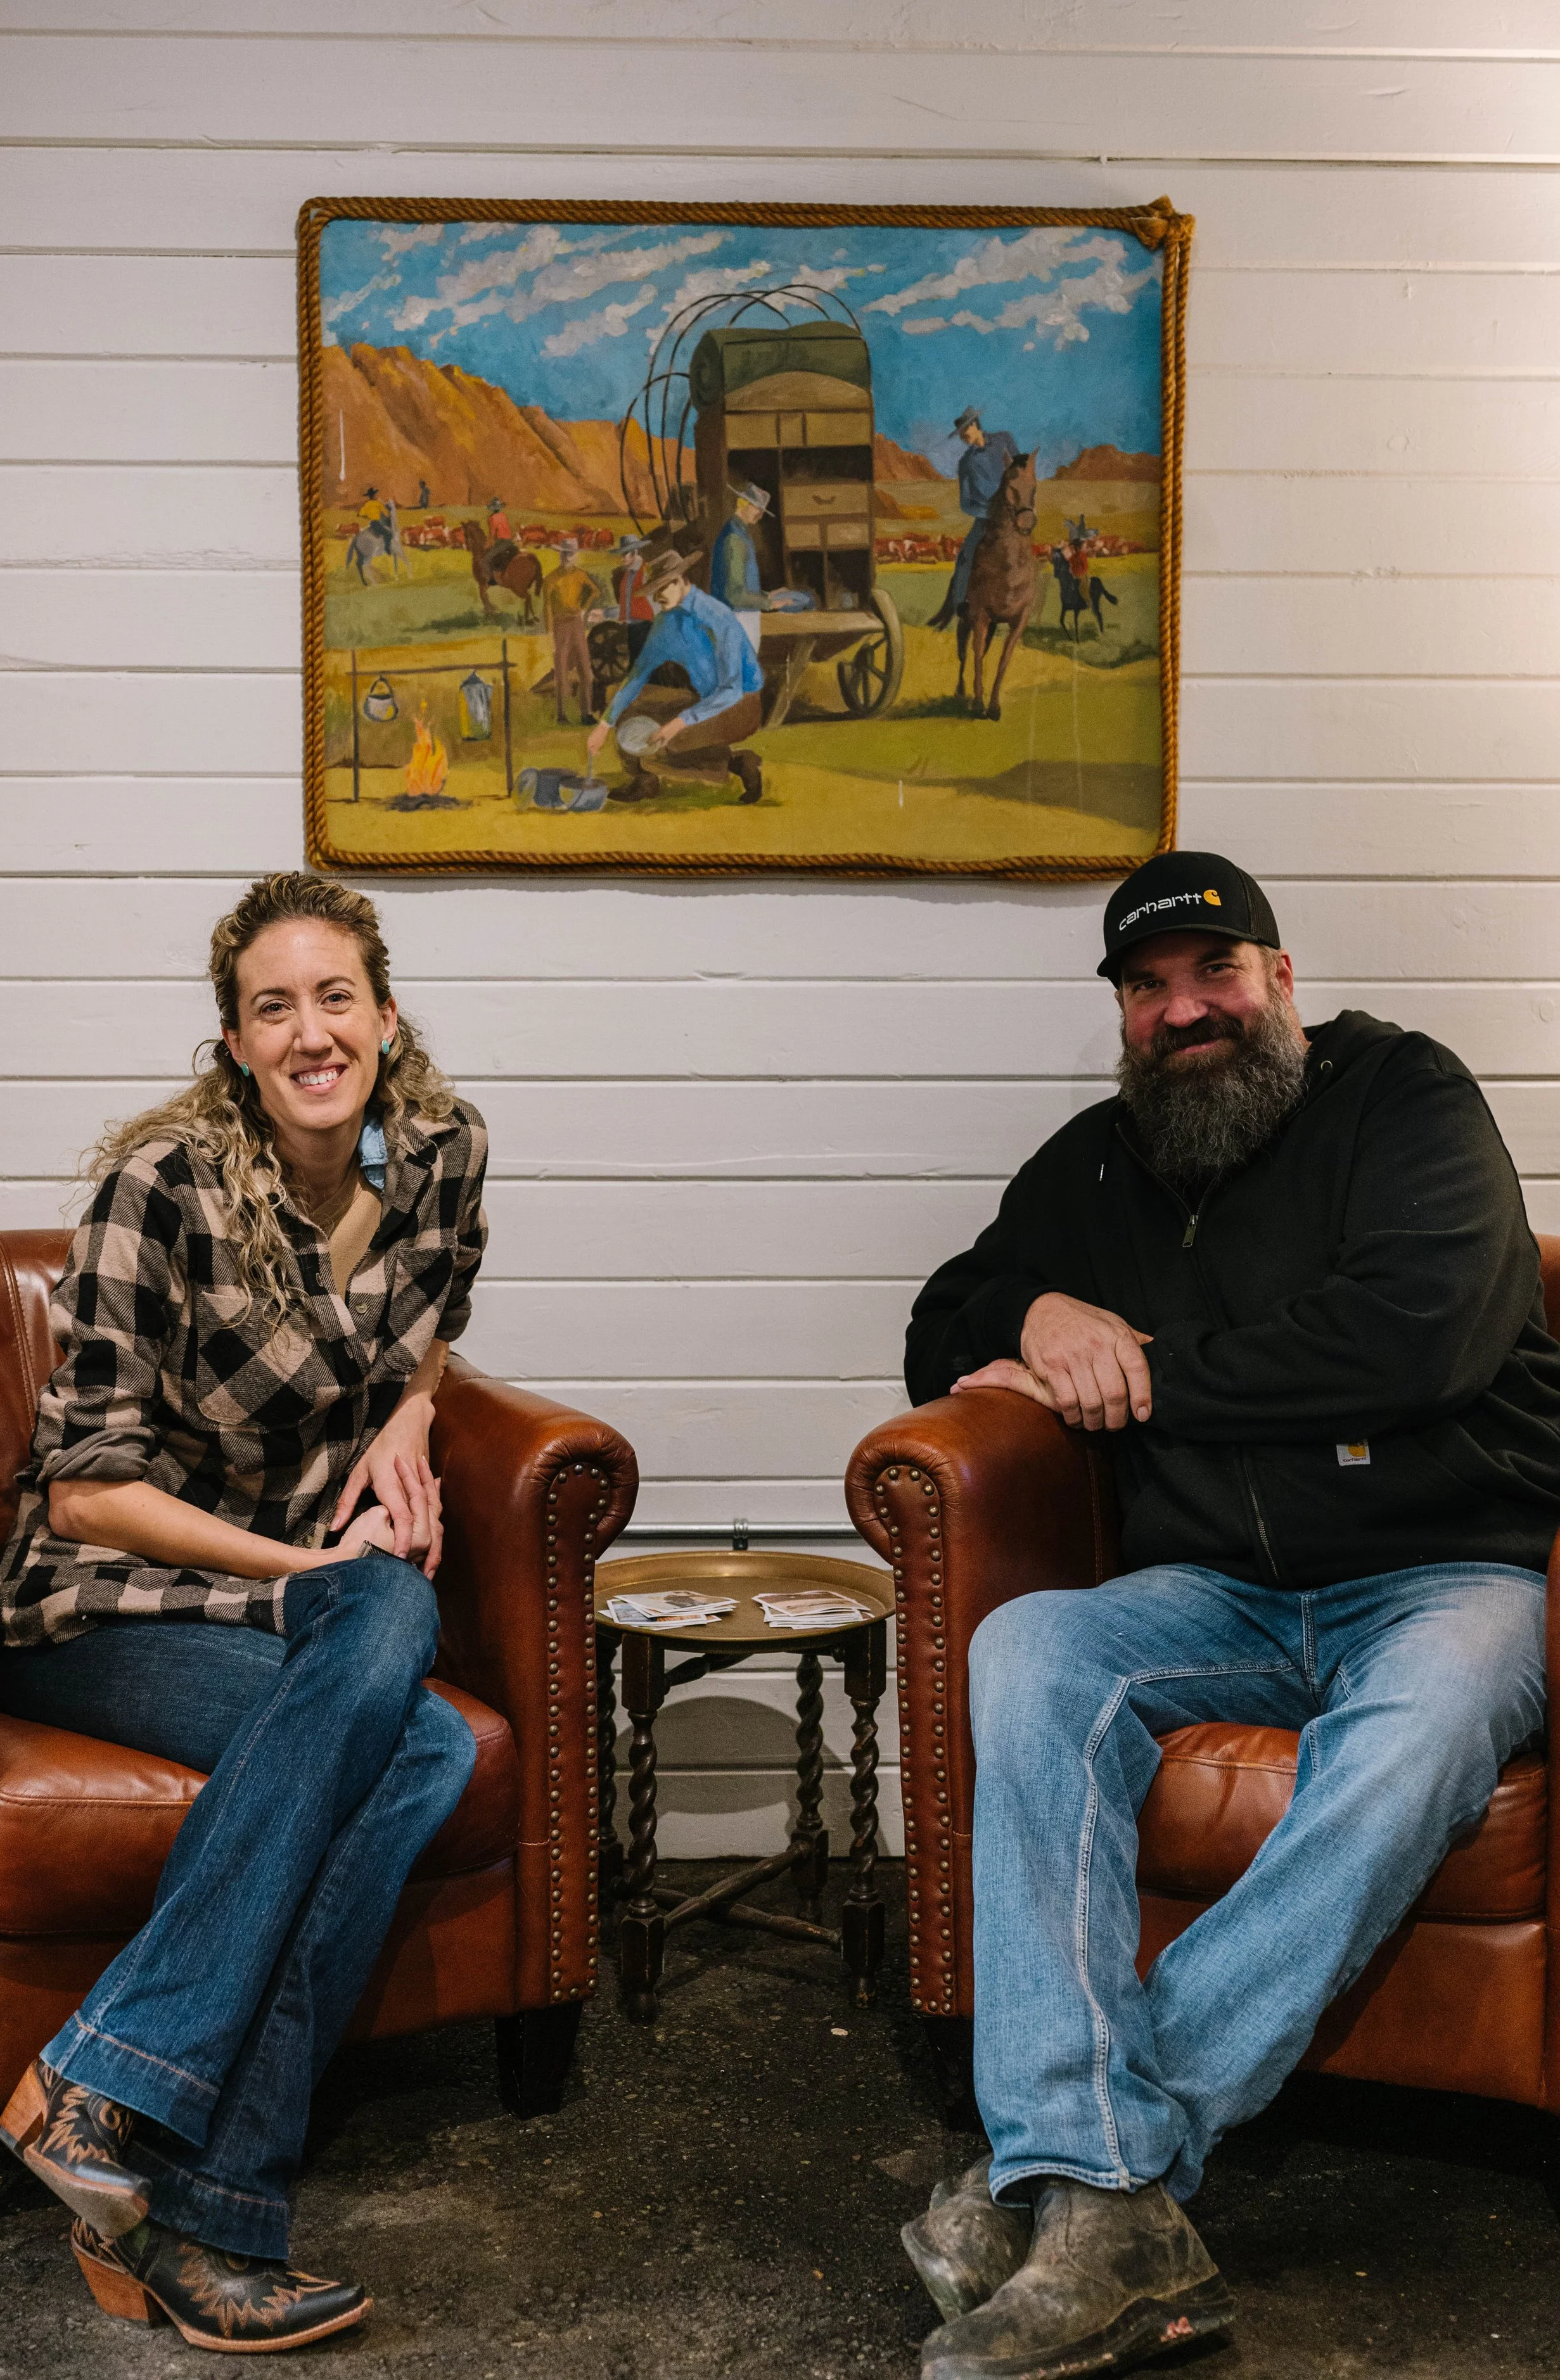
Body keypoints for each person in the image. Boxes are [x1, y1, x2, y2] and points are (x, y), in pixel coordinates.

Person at [899, 849, 1560, 2380]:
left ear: (1278, 977)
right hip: (1223, 1592)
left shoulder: (1404, 1096)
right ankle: (1104, 2186)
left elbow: (1417, 1340)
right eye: (1149, 986)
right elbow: (942, 1317)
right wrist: (1034, 1316)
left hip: (1452, 1566)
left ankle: (1085, 2171)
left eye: (1213, 970)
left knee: (1429, 1718)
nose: (1184, 1008)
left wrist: (1152, 1370)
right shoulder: (1094, 1166)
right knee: (1030, 1645)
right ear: (1124, 1011)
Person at [0, 872, 489, 2354]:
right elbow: (86, 1495)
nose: (312, 1030)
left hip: (289, 1608)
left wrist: (409, 1419)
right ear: (234, 1043)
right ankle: (163, 2149)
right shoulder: (161, 1188)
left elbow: (432, 1326)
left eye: (335, 995)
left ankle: (142, 2168)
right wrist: (310, 1572)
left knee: (418, 1749)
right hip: (105, 1602)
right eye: (275, 1006)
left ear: (386, 1015)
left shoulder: (444, 1153)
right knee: (388, 1617)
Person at [587, 546, 765, 805]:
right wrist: (604, 726)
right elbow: (637, 677)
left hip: (740, 704)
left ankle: (736, 763)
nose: (656, 597)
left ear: (680, 581)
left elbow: (732, 690)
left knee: (668, 743)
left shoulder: (716, 617)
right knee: (629, 712)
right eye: (653, 591)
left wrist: (678, 723)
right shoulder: (665, 624)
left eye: (661, 589)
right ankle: (644, 781)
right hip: (702, 700)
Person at [930, 407, 1021, 629]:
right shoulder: (966, 463)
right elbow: (965, 503)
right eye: (960, 435)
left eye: (964, 432)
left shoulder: (1004, 440)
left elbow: (1019, 472)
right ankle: (960, 602)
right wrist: (989, 514)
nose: (962, 438)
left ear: (975, 425)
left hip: (1012, 516)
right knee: (966, 554)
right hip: (985, 520)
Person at [708, 482, 796, 653]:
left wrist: (768, 594)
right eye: (758, 508)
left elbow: (741, 586)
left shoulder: (740, 533)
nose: (761, 515)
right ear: (742, 503)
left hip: (740, 617)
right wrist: (769, 602)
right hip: (736, 619)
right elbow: (734, 594)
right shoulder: (734, 539)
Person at [544, 534, 599, 725]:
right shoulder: (551, 579)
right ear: (561, 555)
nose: (569, 556)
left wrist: (584, 607)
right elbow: (547, 608)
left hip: (576, 623)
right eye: (566, 553)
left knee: (585, 668)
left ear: (575, 555)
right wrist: (550, 632)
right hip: (560, 627)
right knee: (561, 670)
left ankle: (587, 714)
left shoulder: (580, 575)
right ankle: (562, 714)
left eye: (572, 553)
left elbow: (594, 591)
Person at [613, 533, 654, 664]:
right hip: (633, 624)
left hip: (644, 623)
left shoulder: (645, 571)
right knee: (635, 661)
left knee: (641, 662)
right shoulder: (628, 574)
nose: (622, 558)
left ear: (634, 553)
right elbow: (626, 601)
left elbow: (651, 597)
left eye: (624, 554)